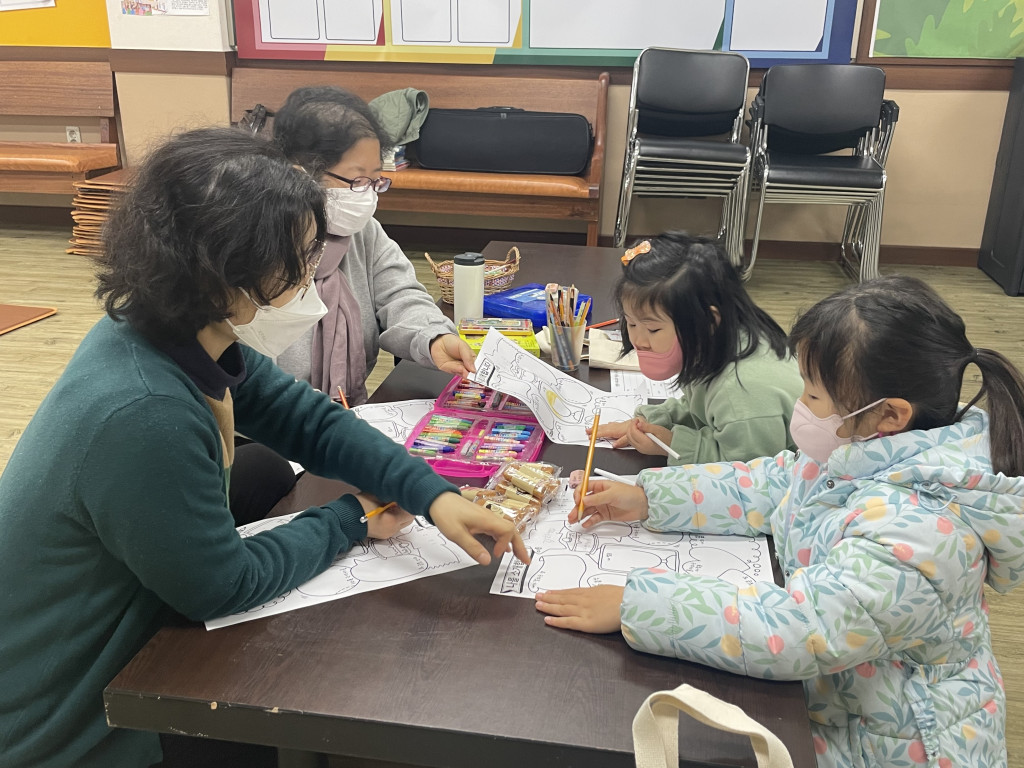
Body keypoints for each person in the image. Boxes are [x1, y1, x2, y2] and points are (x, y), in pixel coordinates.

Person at [0, 127, 527, 768]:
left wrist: (431, 493)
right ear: (225, 271)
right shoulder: (147, 412)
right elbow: (223, 587)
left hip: (107, 623)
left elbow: (311, 423)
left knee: (262, 470)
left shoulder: (170, 331)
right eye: (299, 261)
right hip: (72, 723)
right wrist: (351, 517)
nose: (310, 279)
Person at [537, 275, 1024, 768]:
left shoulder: (921, 530)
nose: (799, 406)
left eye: (813, 397)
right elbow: (770, 484)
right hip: (842, 698)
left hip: (892, 743)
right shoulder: (859, 451)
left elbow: (801, 631)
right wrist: (647, 498)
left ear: (890, 415)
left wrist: (638, 604)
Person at [271, 84, 475, 406]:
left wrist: (434, 337)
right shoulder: (261, 242)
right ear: (301, 175)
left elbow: (400, 295)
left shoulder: (363, 232)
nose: (367, 194)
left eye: (375, 180)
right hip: (277, 419)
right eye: (357, 180)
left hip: (348, 413)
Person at [592, 232, 803, 464]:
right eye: (631, 323)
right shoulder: (713, 344)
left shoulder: (740, 391)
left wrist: (671, 444)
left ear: (708, 320)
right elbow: (701, 406)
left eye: (653, 329)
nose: (639, 340)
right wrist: (654, 420)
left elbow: (746, 470)